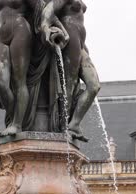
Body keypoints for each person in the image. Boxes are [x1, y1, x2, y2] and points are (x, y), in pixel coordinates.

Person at [0, 0, 44, 136]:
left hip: (21, 32)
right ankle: (15, 116)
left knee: (19, 81)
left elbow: (40, 10)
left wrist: (47, 28)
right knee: (1, 84)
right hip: (2, 36)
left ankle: (17, 124)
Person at [41, 0, 101, 142]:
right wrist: (45, 27)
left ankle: (74, 124)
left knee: (94, 86)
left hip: (80, 44)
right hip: (70, 41)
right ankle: (63, 126)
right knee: (69, 85)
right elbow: (47, 12)